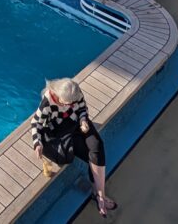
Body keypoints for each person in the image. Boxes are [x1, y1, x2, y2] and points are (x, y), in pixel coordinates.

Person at [31, 78, 117, 218]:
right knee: (73, 156)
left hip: (77, 123)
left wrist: (83, 120)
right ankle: (97, 195)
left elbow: (82, 108)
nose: (71, 105)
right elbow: (35, 123)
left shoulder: (74, 92)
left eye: (73, 102)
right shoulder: (48, 101)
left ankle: (100, 194)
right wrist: (37, 143)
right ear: (59, 97)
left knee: (96, 145)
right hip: (61, 129)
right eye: (68, 103)